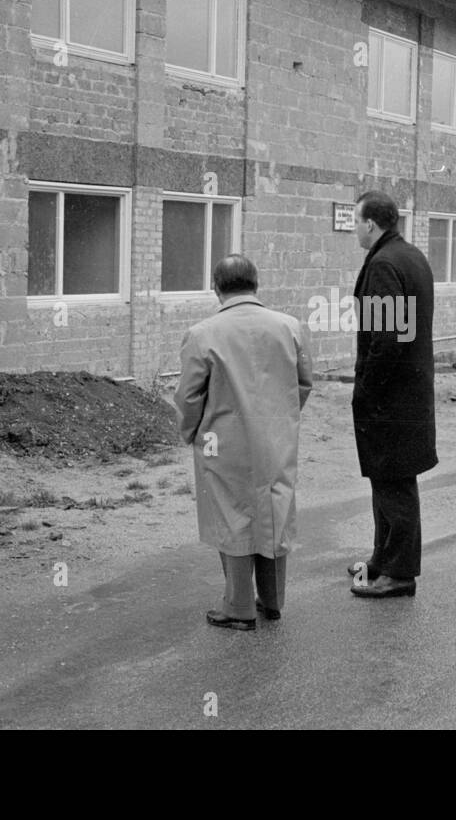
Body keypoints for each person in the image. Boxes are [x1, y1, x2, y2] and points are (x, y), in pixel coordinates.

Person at [175, 255, 313, 630]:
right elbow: (304, 382)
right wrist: (283, 419)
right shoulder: (290, 327)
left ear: (217, 288)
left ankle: (238, 608)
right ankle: (272, 600)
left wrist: (191, 432)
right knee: (274, 510)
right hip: (276, 438)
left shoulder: (203, 334)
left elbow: (189, 396)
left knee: (232, 515)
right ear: (256, 284)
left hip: (223, 440)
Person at [347, 191, 437, 599]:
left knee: (394, 484)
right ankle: (383, 559)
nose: (354, 229)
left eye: (355, 221)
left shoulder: (384, 264)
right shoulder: (409, 255)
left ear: (370, 223)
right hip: (407, 394)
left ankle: (399, 572)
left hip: (390, 399)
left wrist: (367, 388)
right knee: (388, 481)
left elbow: (386, 340)